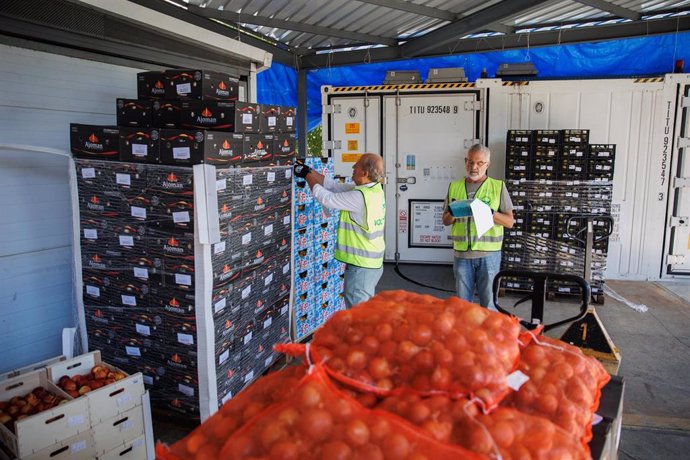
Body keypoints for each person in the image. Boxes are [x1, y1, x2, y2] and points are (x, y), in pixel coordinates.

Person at [294, 154, 386, 308]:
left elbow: (326, 198)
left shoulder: (359, 197)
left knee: (358, 314)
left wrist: (306, 175)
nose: (352, 168)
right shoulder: (373, 190)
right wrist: (309, 170)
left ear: (364, 173)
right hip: (371, 264)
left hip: (361, 266)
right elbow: (333, 186)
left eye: (356, 165)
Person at [442, 144, 514, 308]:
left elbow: (509, 222)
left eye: (479, 163)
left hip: (488, 257)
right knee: (463, 306)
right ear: (465, 161)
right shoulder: (454, 186)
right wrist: (454, 213)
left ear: (487, 164)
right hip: (462, 256)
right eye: (470, 162)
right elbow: (445, 220)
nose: (474, 167)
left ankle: (487, 334)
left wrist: (490, 212)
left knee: (489, 305)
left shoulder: (498, 187)